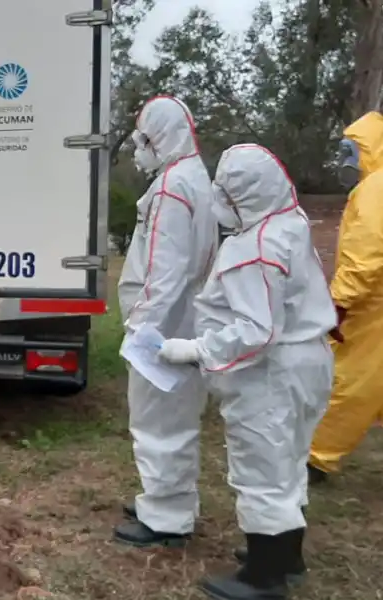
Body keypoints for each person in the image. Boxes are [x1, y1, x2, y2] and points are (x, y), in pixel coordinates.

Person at [157, 144, 336, 599]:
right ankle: (285, 556)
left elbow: (255, 331)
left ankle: (264, 578)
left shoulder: (255, 247)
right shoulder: (287, 224)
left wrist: (194, 349)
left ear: (247, 194)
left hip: (272, 374)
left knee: (262, 469)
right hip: (306, 361)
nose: (221, 202)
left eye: (227, 193)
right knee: (289, 462)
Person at [114, 95, 218, 547]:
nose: (138, 149)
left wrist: (141, 329)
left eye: (143, 139)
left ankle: (165, 519)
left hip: (164, 326)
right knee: (175, 417)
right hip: (185, 319)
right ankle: (169, 500)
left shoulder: (174, 186)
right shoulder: (193, 178)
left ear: (160, 136)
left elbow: (163, 268)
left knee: (157, 420)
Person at [308, 110, 383, 482]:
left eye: (349, 152)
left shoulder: (375, 189)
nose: (344, 162)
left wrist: (338, 304)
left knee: (348, 384)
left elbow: (367, 256)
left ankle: (315, 458)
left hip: (371, 310)